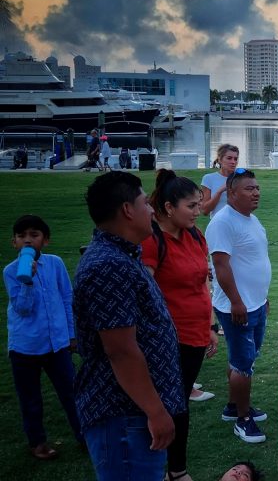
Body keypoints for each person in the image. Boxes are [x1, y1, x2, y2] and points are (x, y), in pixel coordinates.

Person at [75, 171, 184, 480]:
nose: (152, 210)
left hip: (133, 413)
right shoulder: (108, 266)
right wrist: (155, 411)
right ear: (127, 210)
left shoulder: (123, 257)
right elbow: (121, 351)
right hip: (124, 415)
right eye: (144, 203)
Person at [140, 170, 216, 481]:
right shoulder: (152, 241)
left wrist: (210, 327)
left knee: (179, 401)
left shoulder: (196, 235)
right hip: (169, 339)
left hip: (196, 334)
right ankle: (173, 470)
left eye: (199, 205)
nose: (199, 212)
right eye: (192, 206)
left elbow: (202, 284)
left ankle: (173, 469)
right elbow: (144, 295)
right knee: (170, 404)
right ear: (169, 208)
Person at [4, 215, 82, 461]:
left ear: (45, 240)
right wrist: (27, 281)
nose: (28, 240)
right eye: (22, 236)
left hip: (57, 343)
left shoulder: (55, 264)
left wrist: (71, 335)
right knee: (30, 397)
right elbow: (22, 308)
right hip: (25, 346)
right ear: (14, 242)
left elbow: (67, 299)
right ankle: (37, 442)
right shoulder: (10, 271)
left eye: (34, 235)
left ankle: (85, 435)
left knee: (72, 392)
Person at [207, 168, 272, 444]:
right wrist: (236, 301)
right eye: (248, 189)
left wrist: (262, 297)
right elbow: (220, 266)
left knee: (242, 359)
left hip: (255, 304)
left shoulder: (251, 219)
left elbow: (255, 260)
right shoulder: (223, 223)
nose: (255, 192)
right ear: (231, 193)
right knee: (243, 364)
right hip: (237, 307)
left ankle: (234, 407)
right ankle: (242, 420)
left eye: (256, 188)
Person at [201, 144, 240, 217]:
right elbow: (205, 211)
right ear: (220, 159)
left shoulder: (241, 178)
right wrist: (220, 191)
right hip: (218, 224)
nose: (233, 162)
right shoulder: (209, 179)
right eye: (229, 158)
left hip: (238, 224)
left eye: (235, 159)